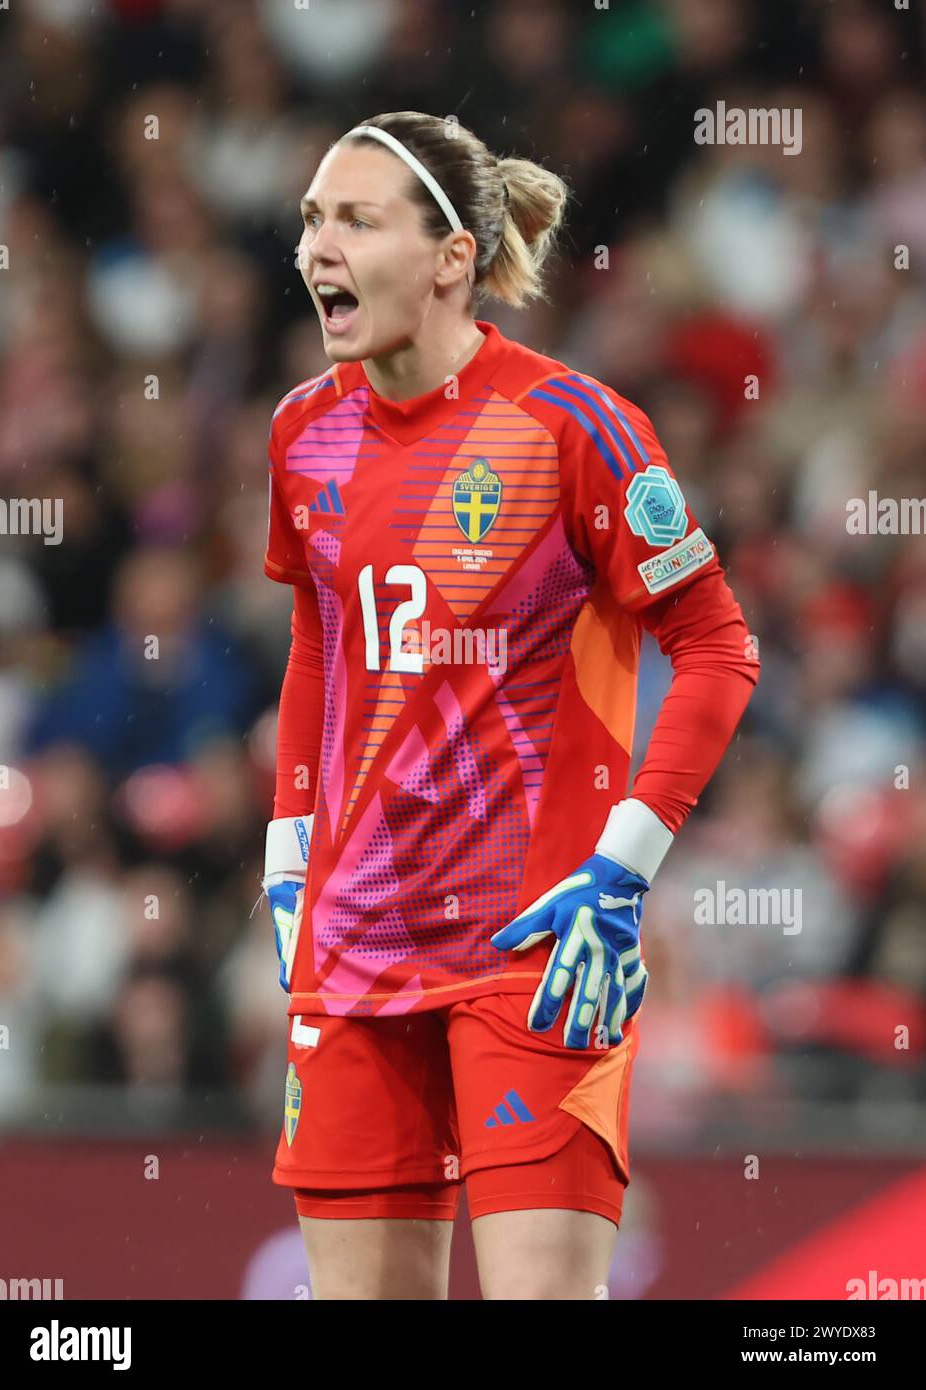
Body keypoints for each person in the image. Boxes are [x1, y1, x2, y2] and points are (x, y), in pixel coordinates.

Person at [261, 110, 758, 1300]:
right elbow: (321, 638)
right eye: (311, 220)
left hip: (537, 944)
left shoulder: (572, 426)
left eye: (355, 220)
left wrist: (624, 867)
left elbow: (715, 646)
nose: (318, 248)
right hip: (356, 943)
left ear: (450, 258)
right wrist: (288, 845)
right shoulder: (299, 433)